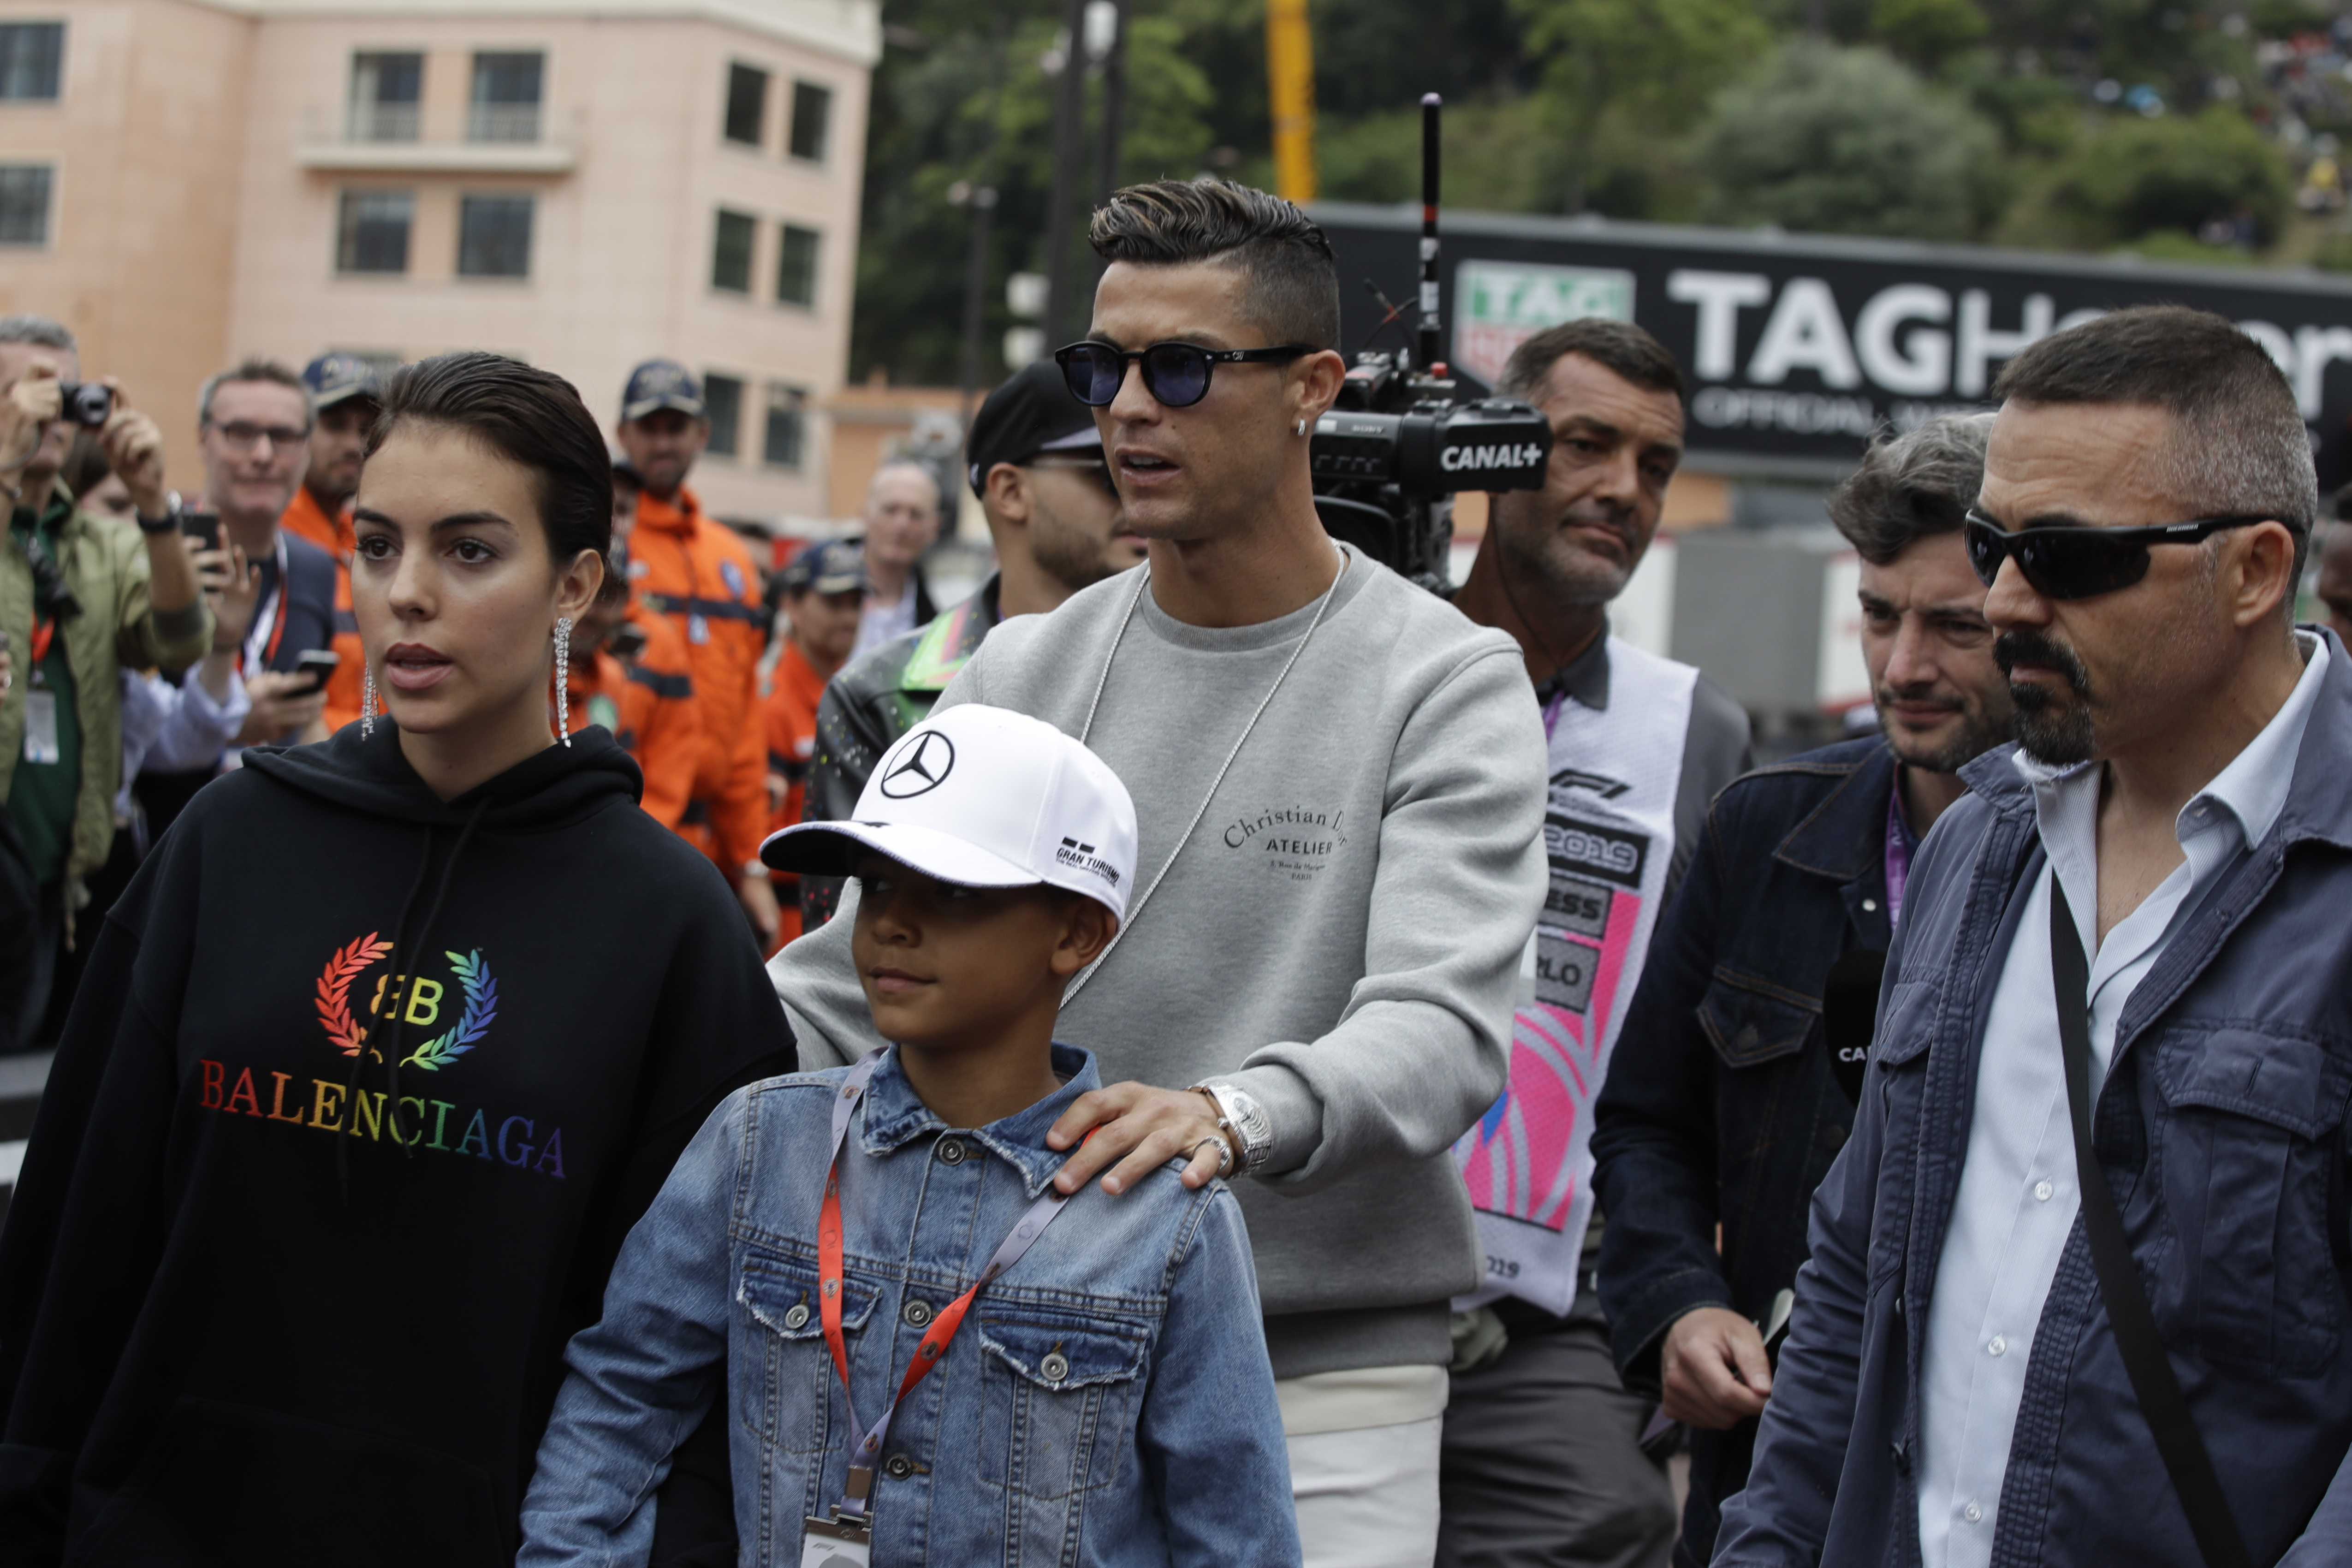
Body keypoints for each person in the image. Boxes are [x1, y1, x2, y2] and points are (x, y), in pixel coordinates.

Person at [771, 177, 1548, 1567]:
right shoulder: (1018, 665)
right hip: (1007, 1330)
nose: (1126, 406)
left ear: (1312, 384)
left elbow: (1441, 1028)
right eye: (1102, 366)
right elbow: (835, 990)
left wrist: (1232, 1110)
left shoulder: (1443, 676)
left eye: (1179, 366)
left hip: (1322, 1368)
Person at [0, 350, 796, 1564]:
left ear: (575, 581)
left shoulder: (672, 932)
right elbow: (78, 1228)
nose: (405, 595)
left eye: (469, 552)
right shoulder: (230, 845)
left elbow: (697, 1369)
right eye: (376, 547)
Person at [1716, 306, 2352, 1565]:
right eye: (1998, 543)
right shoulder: (1980, 840)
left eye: (2065, 556)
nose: (2004, 599)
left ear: (2252, 568)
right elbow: (1853, 1281)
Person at [524, 702, 1299, 1566]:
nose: (892, 921)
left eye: (956, 891)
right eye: (879, 882)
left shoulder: (1167, 1220)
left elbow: (1235, 1528)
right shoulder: (758, 1143)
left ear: (1076, 932)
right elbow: (621, 1397)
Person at [1587, 414, 2011, 1568]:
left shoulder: (2103, 867)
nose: (1901, 664)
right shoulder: (1760, 828)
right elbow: (1643, 1122)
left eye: (1953, 626)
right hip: (1764, 1472)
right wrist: (1678, 1302)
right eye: (1878, 614)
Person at [1427, 318, 1750, 1568]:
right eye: (1583, 445)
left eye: (1654, 465)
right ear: (1501, 449)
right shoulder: (1369, 652)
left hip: (1551, 1303)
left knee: (1614, 1527)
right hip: (1316, 1260)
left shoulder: (1697, 733)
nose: (1622, 488)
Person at [799, 358, 1144, 928]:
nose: (1136, 489)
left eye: (1148, 464)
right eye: (1108, 471)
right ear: (1010, 491)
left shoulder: (1193, 667)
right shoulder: (879, 695)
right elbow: (844, 953)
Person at [0, 314, 209, 1051]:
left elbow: (181, 640)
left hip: (57, 891)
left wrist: (153, 500)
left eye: (64, 390)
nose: (48, 409)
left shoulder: (100, 541)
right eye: (26, 388)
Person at [131, 360, 339, 840]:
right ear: (204, 439)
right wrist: (228, 722)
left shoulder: (317, 567)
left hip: (280, 842)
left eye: (284, 436)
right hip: (163, 846)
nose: (264, 454)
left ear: (306, 448)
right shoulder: (152, 555)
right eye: (241, 432)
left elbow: (312, 715)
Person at [614, 358, 779, 949]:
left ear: (702, 434)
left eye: (676, 427)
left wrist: (750, 860)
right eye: (650, 426)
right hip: (624, 830)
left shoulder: (731, 558)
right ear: (622, 433)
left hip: (708, 846)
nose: (663, 441)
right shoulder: (608, 544)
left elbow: (744, 721)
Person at [762, 538, 864, 948]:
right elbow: (756, 837)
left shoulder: (855, 698)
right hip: (787, 923)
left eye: (856, 603)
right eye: (834, 602)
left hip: (841, 914)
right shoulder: (771, 703)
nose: (849, 616)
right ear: (792, 605)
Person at [279, 351, 381, 734]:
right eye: (335, 425)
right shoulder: (271, 546)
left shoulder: (364, 541)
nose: (354, 444)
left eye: (367, 428)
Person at [561, 564, 699, 832]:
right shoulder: (518, 673)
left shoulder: (613, 679)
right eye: (576, 588)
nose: (590, 609)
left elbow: (664, 771)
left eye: (606, 597)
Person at [851, 459, 943, 659]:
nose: (902, 524)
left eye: (916, 514)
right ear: (865, 514)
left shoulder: (939, 625)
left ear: (934, 527)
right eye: (891, 510)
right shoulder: (814, 594)